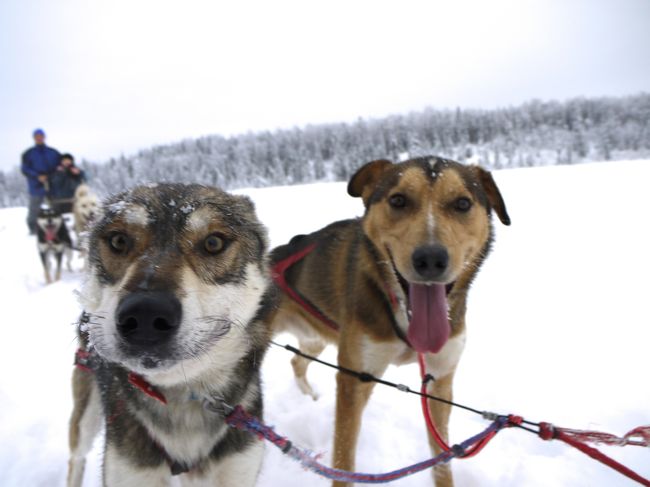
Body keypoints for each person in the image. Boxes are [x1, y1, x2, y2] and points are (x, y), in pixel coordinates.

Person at [21, 128, 60, 234]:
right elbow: (25, 169)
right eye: (37, 136)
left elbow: (59, 167)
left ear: (44, 137)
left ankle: (58, 228)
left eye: (41, 136)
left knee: (55, 207)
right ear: (34, 138)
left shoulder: (53, 152)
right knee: (34, 208)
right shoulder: (28, 153)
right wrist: (37, 176)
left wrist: (51, 176)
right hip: (36, 185)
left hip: (52, 185)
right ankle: (33, 229)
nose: (39, 138)